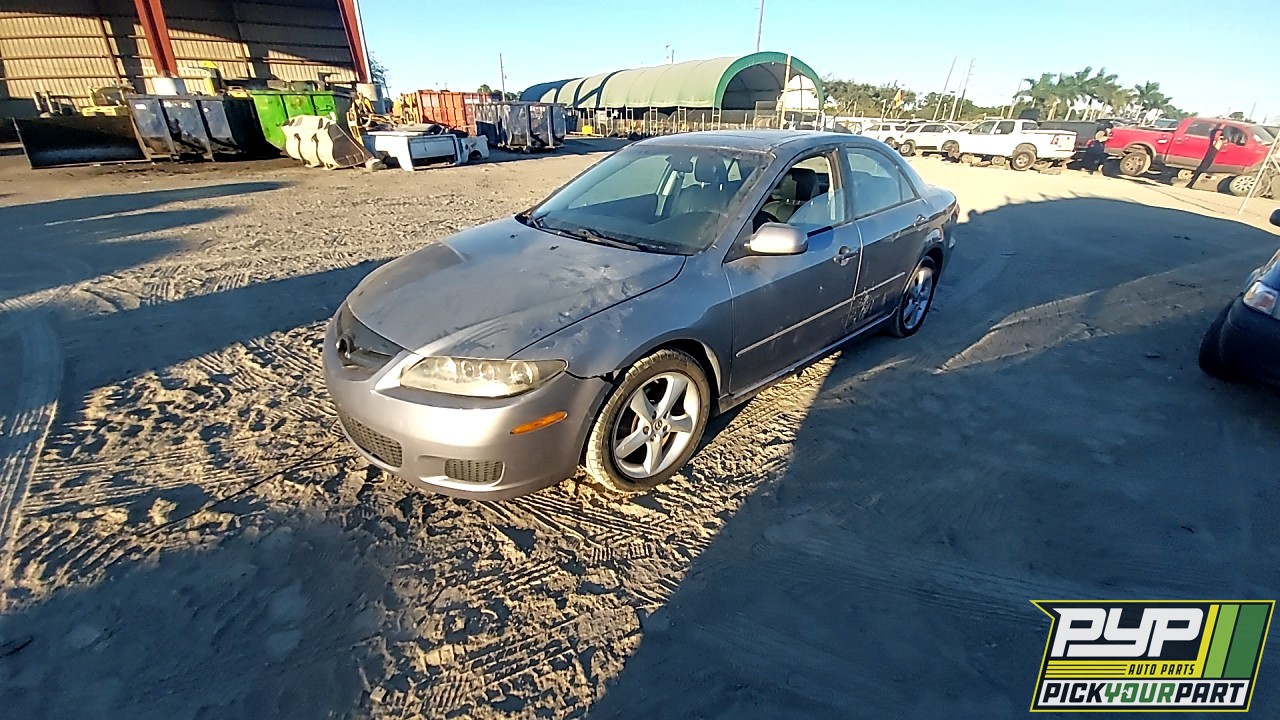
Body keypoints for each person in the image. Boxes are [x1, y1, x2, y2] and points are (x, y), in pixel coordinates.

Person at [1186, 124, 1226, 189]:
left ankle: (1192, 183)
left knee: (1201, 170)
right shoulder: (1216, 137)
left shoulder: (1213, 134)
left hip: (1208, 155)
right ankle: (1192, 183)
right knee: (1202, 169)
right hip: (1210, 155)